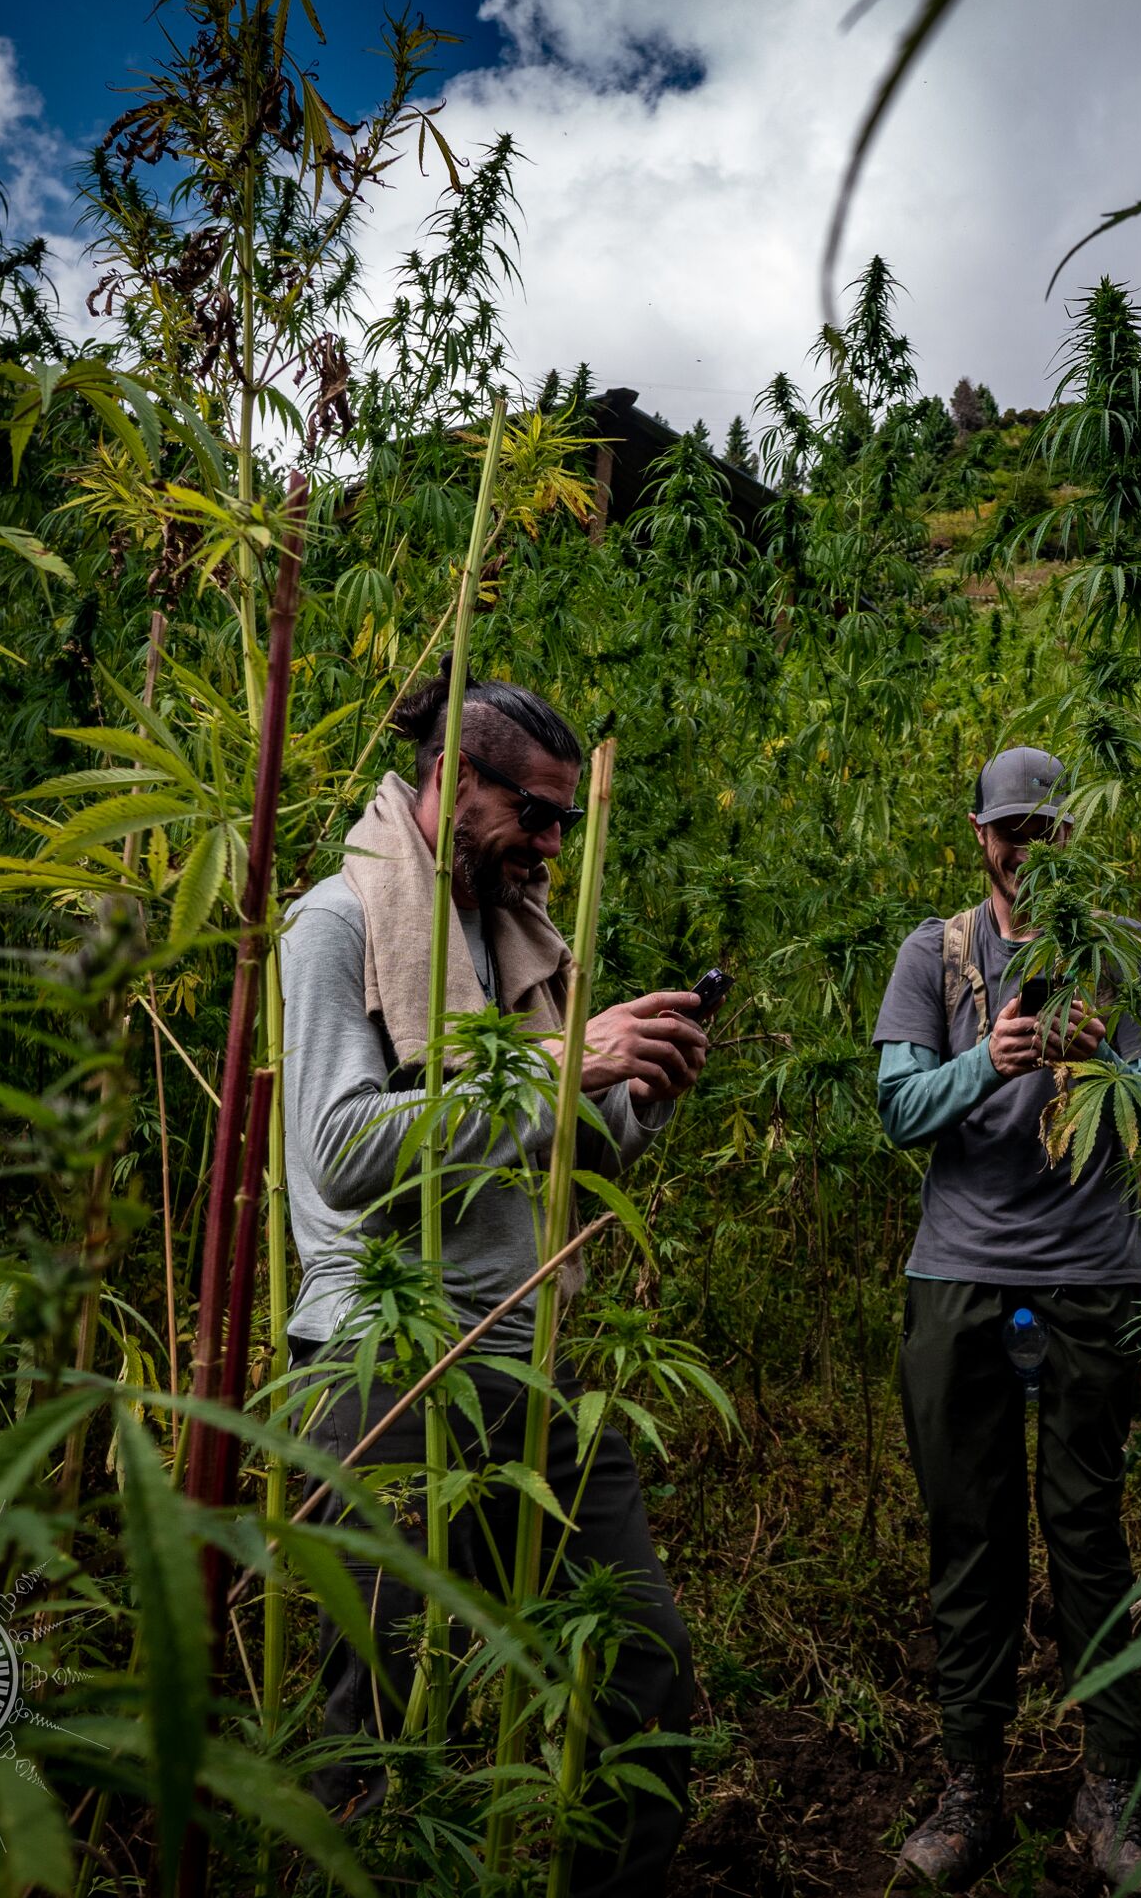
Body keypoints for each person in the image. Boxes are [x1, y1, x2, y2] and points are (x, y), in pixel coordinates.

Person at [278, 670, 708, 1893]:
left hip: (529, 1352)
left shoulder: (511, 937)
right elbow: (343, 1150)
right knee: (382, 1713)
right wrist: (563, 1065)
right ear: (455, 782)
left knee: (643, 1667)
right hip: (384, 1363)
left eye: (564, 819)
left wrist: (633, 1095)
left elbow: (553, 1149)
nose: (553, 845)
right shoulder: (338, 924)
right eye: (535, 814)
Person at [870, 745, 1141, 1891]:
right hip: (960, 1274)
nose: (1027, 852)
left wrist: (1103, 1067)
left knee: (1088, 1529)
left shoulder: (1122, 954)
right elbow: (899, 1105)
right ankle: (971, 1790)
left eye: (1046, 831)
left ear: (1070, 836)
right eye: (1010, 831)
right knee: (970, 1533)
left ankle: (1111, 1788)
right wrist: (988, 1065)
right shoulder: (935, 956)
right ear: (980, 834)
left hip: (1095, 1272)